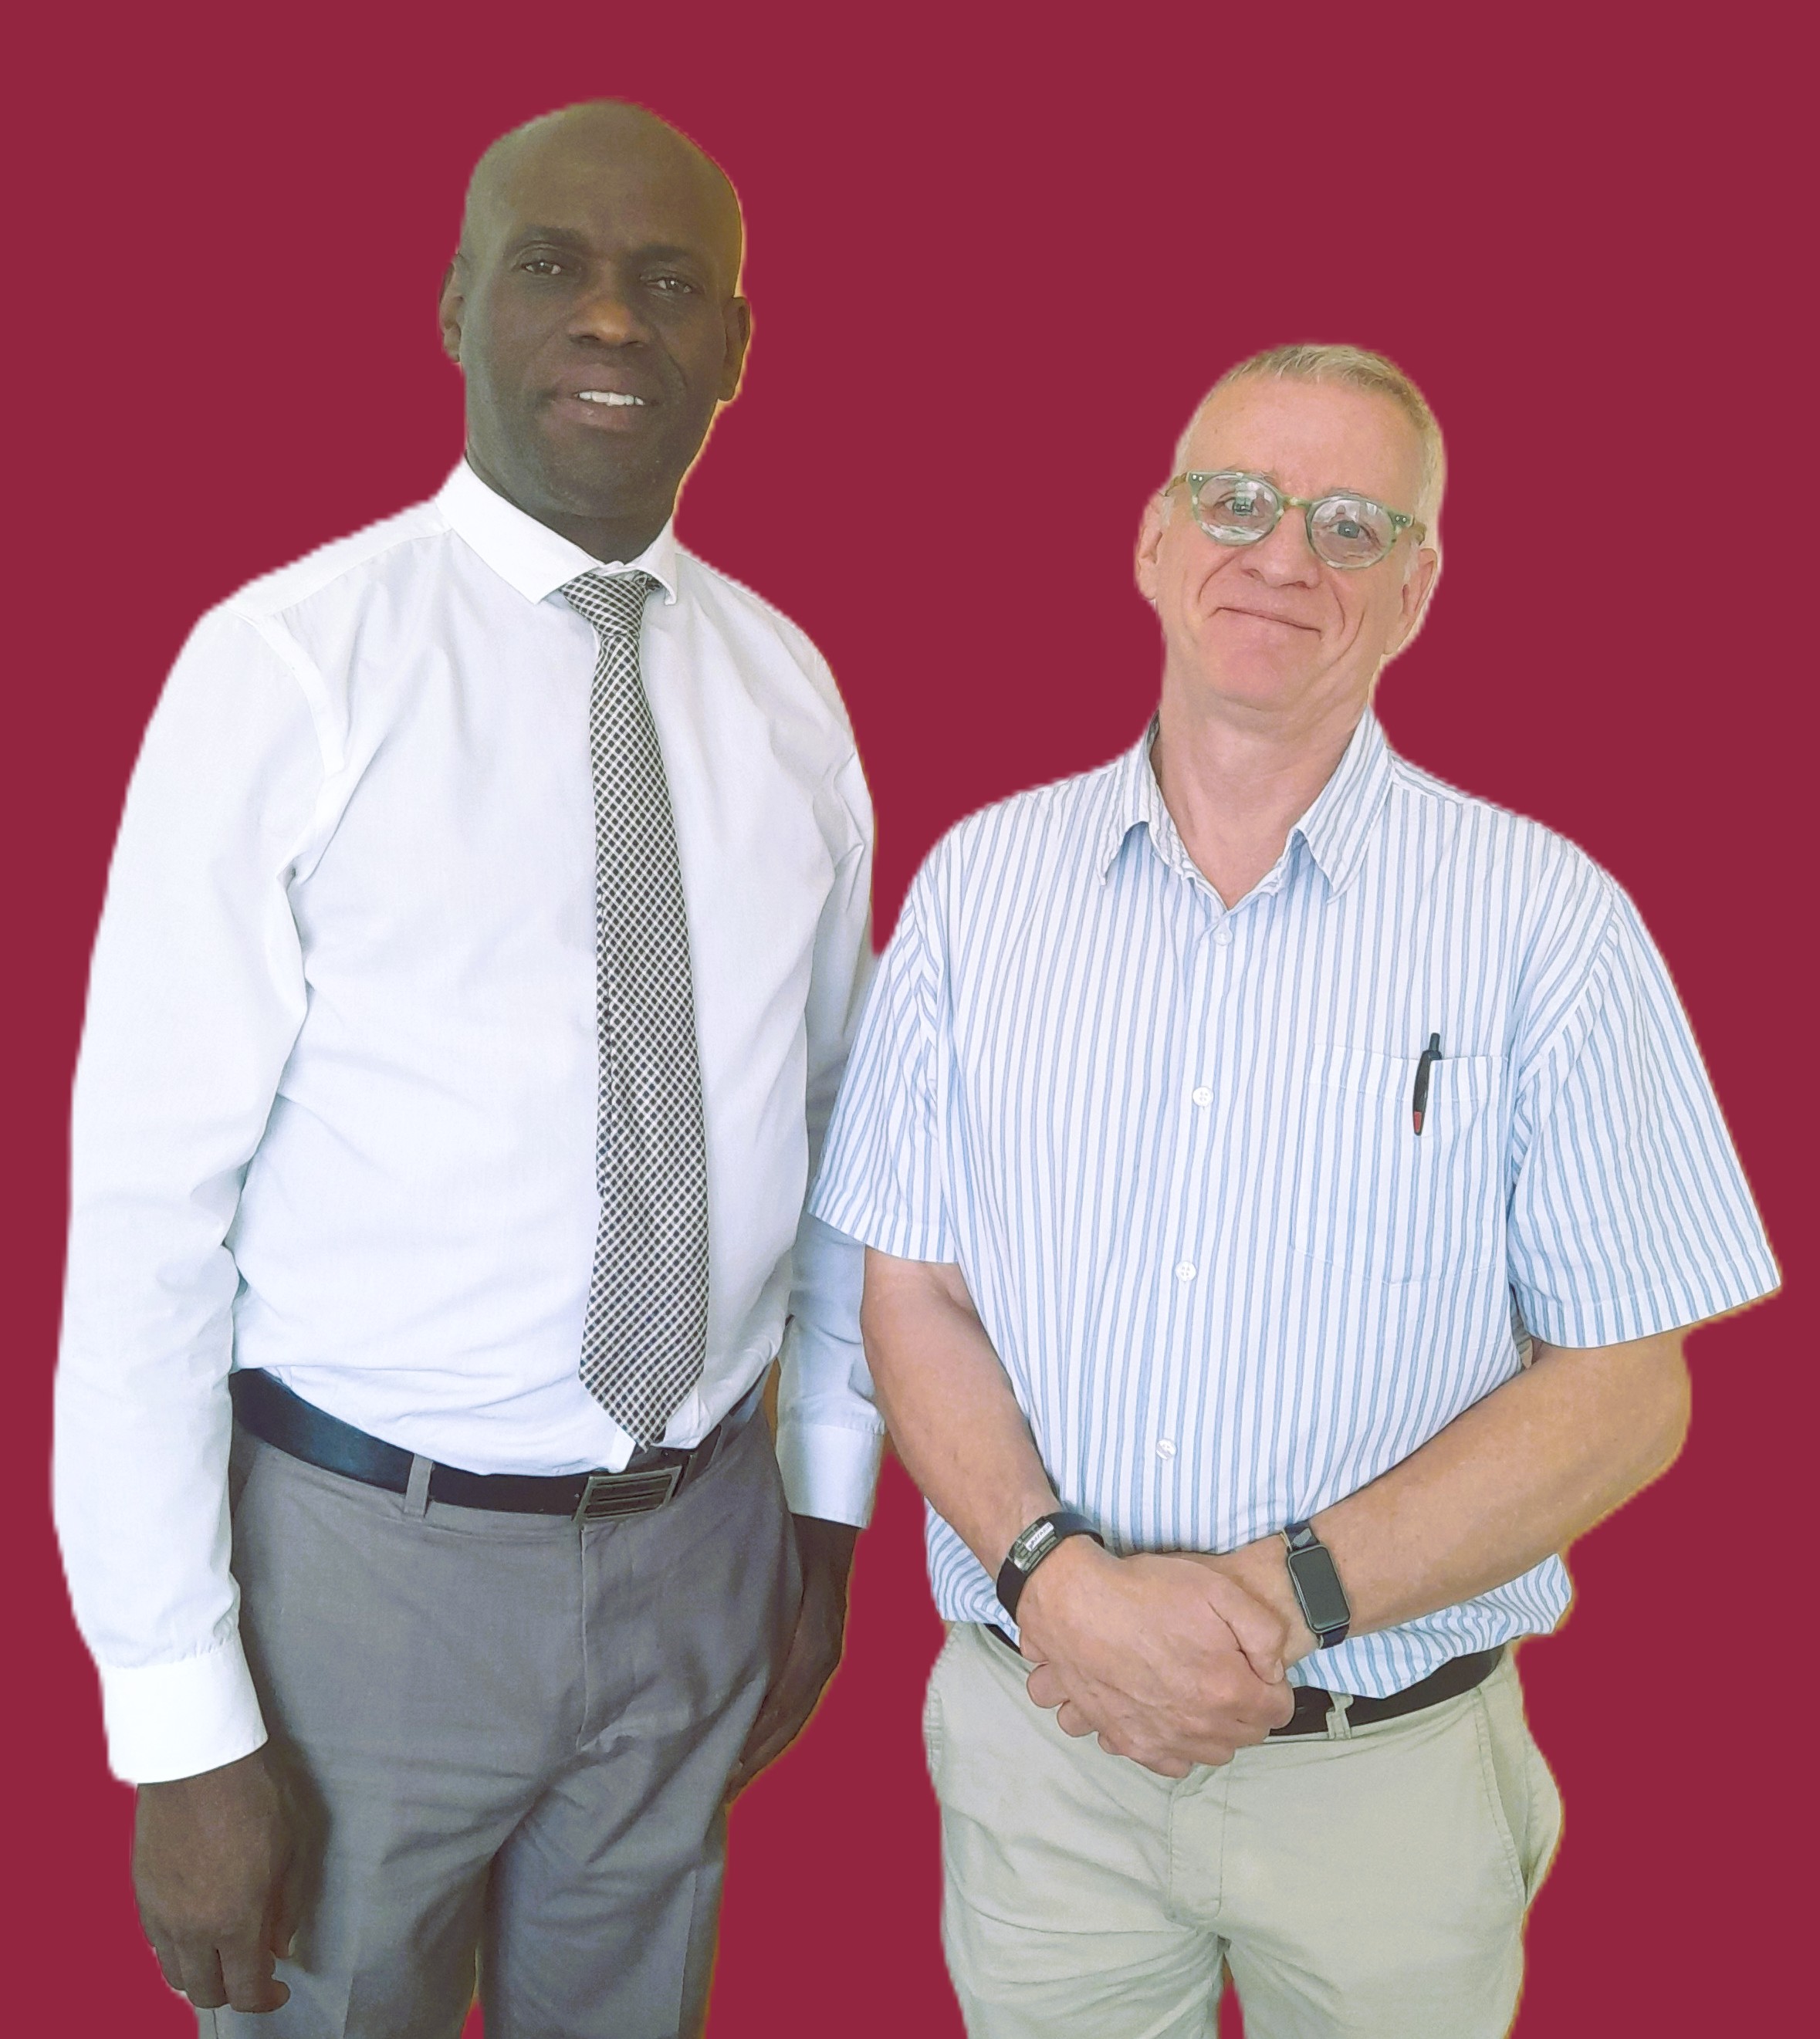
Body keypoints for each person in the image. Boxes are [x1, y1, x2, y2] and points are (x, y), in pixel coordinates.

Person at [811, 343, 1778, 2039]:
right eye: (1238, 501)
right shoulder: (978, 890)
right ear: (1153, 538)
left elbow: (1629, 1385)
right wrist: (1059, 1581)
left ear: (1417, 587)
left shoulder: (1545, 920)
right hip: (1047, 1762)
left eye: (1349, 524)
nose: (1282, 555)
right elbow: (915, 1290)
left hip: (1385, 1788)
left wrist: (1270, 1607)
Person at [52, 100, 885, 2038]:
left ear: (736, 348)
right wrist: (177, 1718)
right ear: (453, 309)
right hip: (361, 1579)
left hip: (700, 1550)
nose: (611, 318)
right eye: (553, 267)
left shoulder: (790, 695)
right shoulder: (289, 670)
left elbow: (842, 1134)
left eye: (669, 282)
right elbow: (149, 1216)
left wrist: (824, 1514)